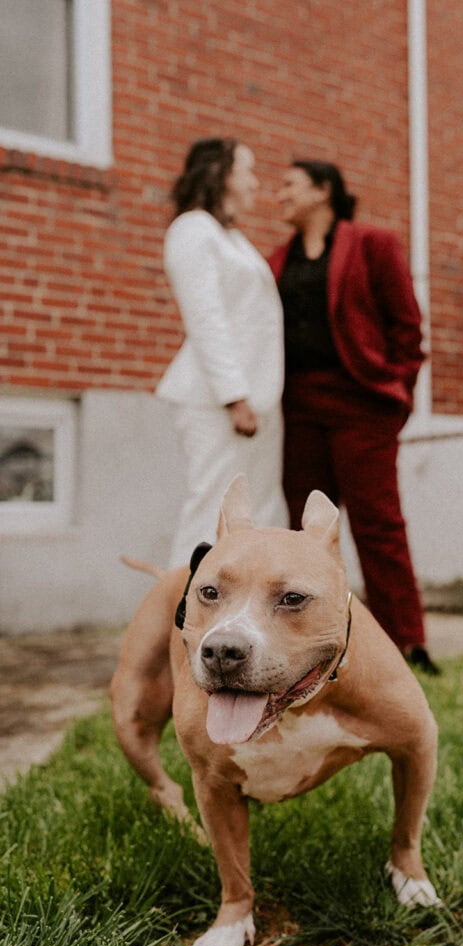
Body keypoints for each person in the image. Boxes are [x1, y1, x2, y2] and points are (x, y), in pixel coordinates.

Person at [268, 159, 440, 674]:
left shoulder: (373, 244)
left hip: (362, 405)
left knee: (378, 525)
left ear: (323, 191)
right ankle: (312, 642)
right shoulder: (277, 260)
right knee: (307, 532)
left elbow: (407, 328)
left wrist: (396, 397)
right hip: (297, 407)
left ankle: (407, 643)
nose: (280, 195)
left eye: (289, 184)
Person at [157, 138, 287, 568]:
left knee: (257, 518)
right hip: (219, 401)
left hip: (258, 402)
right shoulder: (192, 229)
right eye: (247, 170)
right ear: (222, 174)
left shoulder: (231, 237)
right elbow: (205, 318)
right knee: (209, 515)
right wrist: (235, 396)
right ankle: (180, 625)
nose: (255, 182)